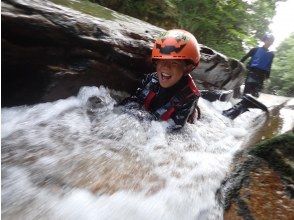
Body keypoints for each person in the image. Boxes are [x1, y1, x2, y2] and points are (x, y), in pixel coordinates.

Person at [119, 29, 268, 129]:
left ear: (187, 68)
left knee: (222, 120)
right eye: (162, 61)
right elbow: (134, 101)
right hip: (182, 98)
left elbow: (175, 129)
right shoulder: (150, 79)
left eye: (174, 63)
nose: (165, 68)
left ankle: (242, 105)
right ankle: (220, 95)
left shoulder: (189, 96)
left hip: (193, 115)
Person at [240, 33, 275, 97]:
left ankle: (250, 104)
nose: (269, 42)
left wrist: (267, 78)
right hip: (252, 72)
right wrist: (238, 65)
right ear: (264, 40)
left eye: (271, 41)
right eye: (268, 40)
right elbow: (244, 58)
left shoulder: (271, 54)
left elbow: (269, 66)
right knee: (247, 91)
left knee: (255, 94)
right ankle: (242, 103)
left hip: (262, 75)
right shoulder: (255, 50)